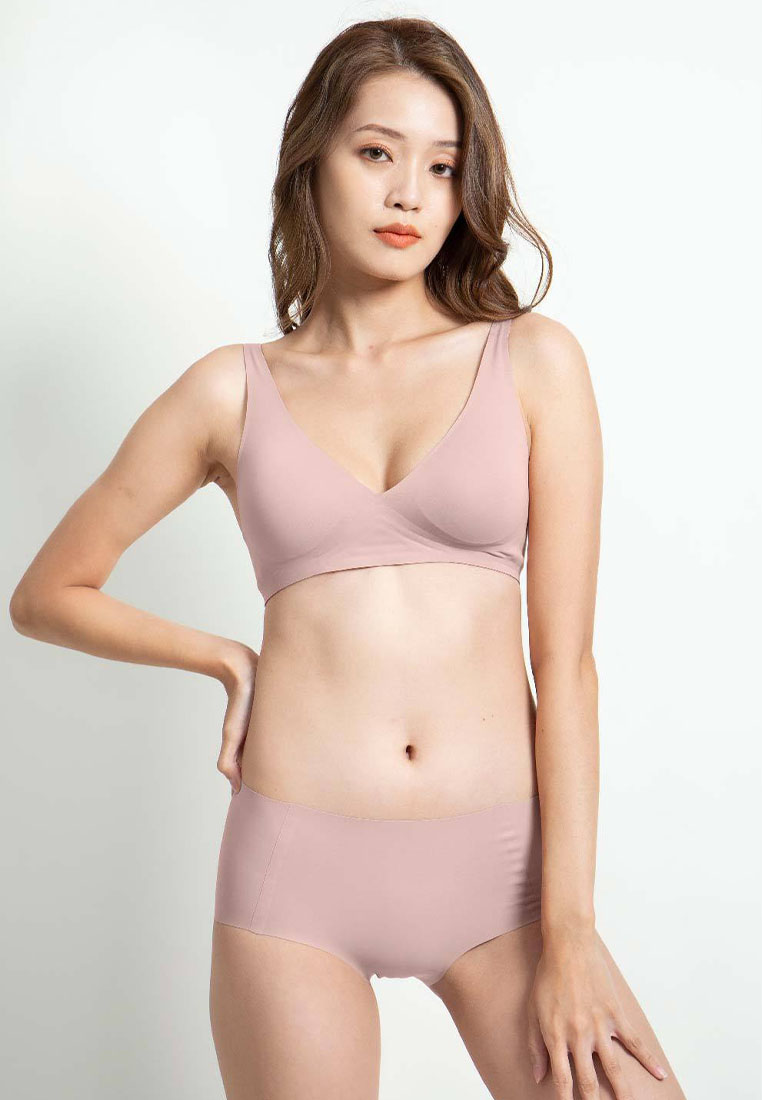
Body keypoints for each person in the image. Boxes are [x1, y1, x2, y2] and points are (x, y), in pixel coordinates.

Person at [9, 16, 687, 1100]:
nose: (410, 193)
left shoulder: (533, 363)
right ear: (311, 159)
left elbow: (566, 667)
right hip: (295, 878)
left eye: (444, 166)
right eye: (377, 152)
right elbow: (47, 592)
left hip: (506, 877)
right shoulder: (230, 389)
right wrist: (225, 658)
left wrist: (571, 929)